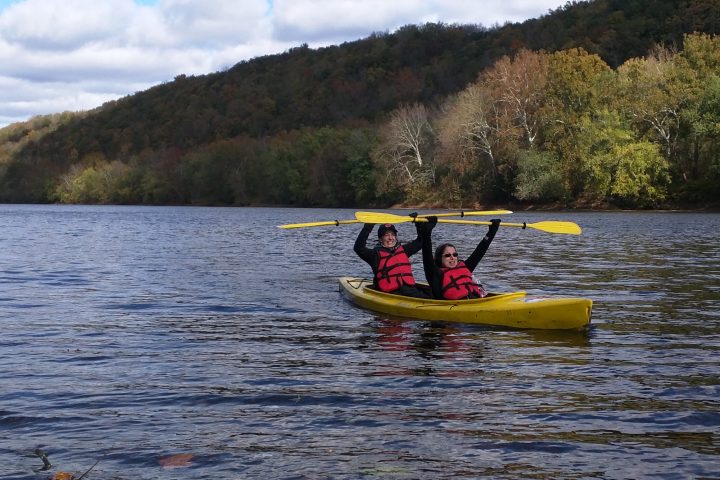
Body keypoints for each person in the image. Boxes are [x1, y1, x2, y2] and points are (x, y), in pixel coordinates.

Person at [419, 217, 501, 300]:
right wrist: (427, 232)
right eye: (447, 255)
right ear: (440, 258)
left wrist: (491, 233)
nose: (452, 258)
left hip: (475, 301)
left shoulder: (464, 267)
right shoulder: (435, 274)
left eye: (455, 254)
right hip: (454, 306)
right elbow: (426, 252)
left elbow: (479, 251)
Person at [354, 220, 432, 298]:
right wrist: (368, 226)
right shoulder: (374, 255)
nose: (390, 238)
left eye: (393, 235)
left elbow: (421, 241)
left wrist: (418, 223)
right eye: (386, 235)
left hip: (411, 290)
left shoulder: (404, 250)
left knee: (431, 295)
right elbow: (358, 248)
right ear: (380, 239)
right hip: (390, 294)